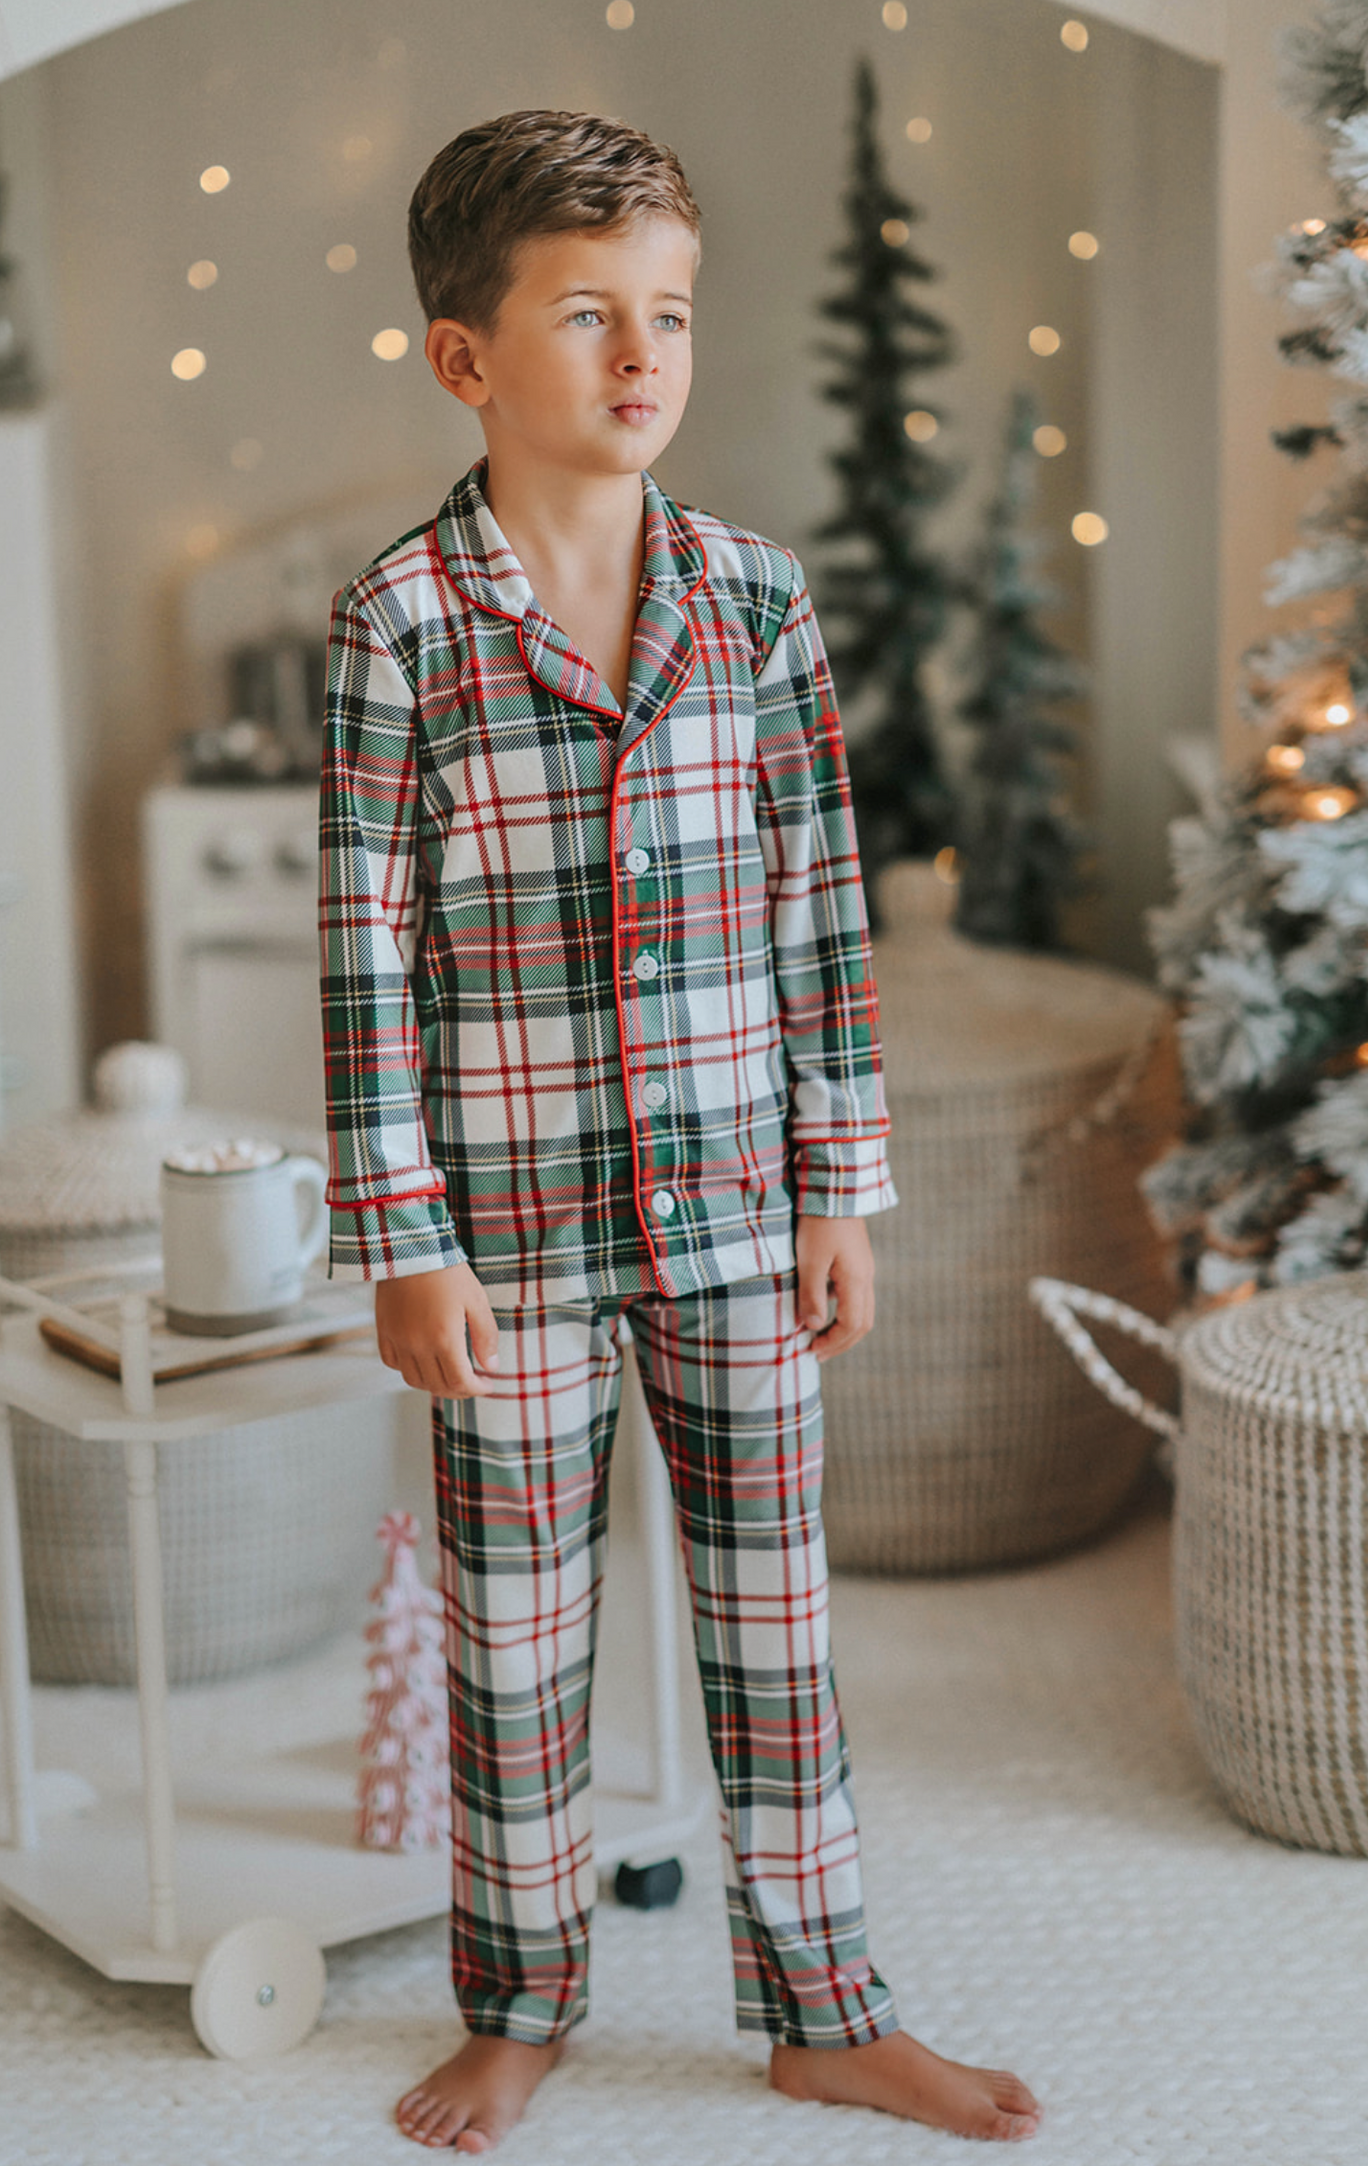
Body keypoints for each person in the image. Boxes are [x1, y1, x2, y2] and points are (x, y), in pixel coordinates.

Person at [320, 108, 1041, 2155]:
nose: (644, 358)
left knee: (772, 1627)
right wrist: (404, 1237)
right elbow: (366, 962)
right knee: (514, 1642)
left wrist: (838, 1185)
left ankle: (823, 2006)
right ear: (465, 358)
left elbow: (821, 914)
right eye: (586, 317)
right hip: (508, 1231)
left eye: (671, 316)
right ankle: (521, 2003)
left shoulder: (752, 602)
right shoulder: (404, 632)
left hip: (731, 1206)